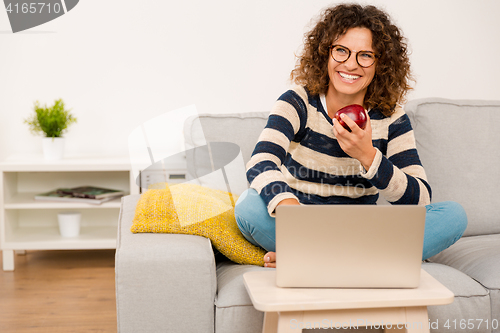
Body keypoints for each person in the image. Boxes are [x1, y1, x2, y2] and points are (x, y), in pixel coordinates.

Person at [234, 3, 468, 268]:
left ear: (381, 64)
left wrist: (367, 155)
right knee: (247, 207)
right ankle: (356, 261)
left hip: (361, 229)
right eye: (341, 51)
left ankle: (315, 259)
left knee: (453, 216)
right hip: (301, 223)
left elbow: (420, 199)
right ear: (325, 53)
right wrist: (290, 209)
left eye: (365, 55)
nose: (351, 64)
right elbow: (260, 163)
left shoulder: (391, 117)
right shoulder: (298, 103)